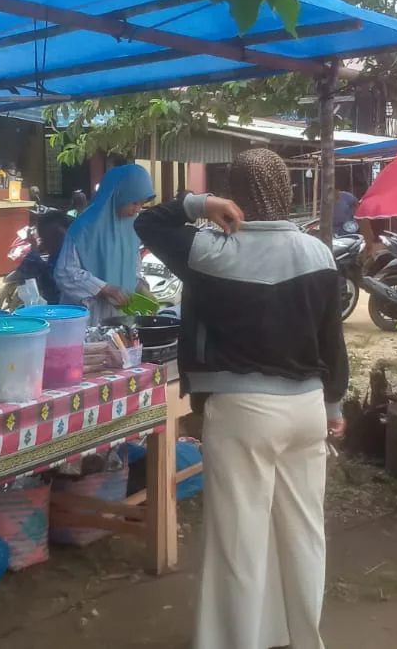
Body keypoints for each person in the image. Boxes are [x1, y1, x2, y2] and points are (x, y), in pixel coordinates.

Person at [135, 148, 347, 649]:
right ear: (287, 192)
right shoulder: (319, 253)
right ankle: (300, 638)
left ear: (237, 193)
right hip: (307, 410)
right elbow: (331, 342)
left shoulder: (211, 252)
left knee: (239, 540)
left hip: (243, 412)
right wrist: (335, 406)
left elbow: (149, 222)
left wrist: (202, 203)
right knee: (303, 534)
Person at [53, 164, 156, 323]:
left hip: (120, 315)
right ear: (118, 195)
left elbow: (131, 269)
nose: (137, 209)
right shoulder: (84, 228)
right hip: (88, 316)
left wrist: (140, 287)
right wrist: (103, 288)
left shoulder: (131, 229)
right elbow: (65, 272)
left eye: (142, 204)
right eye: (134, 202)